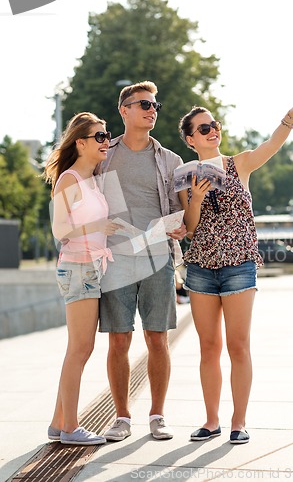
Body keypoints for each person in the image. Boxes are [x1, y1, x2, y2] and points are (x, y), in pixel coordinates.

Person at [178, 89, 293, 444]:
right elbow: (190, 227)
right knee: (209, 347)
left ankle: (239, 422)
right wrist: (196, 197)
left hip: (239, 264)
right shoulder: (186, 176)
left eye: (215, 124)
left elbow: (274, 143)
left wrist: (291, 115)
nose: (212, 130)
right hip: (202, 268)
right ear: (191, 139)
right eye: (204, 128)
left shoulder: (241, 163)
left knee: (238, 346)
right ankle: (211, 422)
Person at [97, 81, 186, 441]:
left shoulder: (170, 160)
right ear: (124, 110)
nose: (152, 110)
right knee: (118, 341)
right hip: (114, 259)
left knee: (158, 339)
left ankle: (157, 415)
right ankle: (121, 417)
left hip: (157, 258)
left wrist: (181, 225)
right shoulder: (104, 155)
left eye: (155, 106)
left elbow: (180, 210)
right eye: (144, 104)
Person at [44, 112, 119, 445]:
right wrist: (96, 228)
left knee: (80, 347)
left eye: (107, 135)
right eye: (100, 137)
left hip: (92, 266)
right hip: (77, 267)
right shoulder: (70, 180)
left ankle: (58, 422)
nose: (107, 142)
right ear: (81, 143)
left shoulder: (93, 180)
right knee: (80, 348)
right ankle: (71, 428)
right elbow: (60, 230)